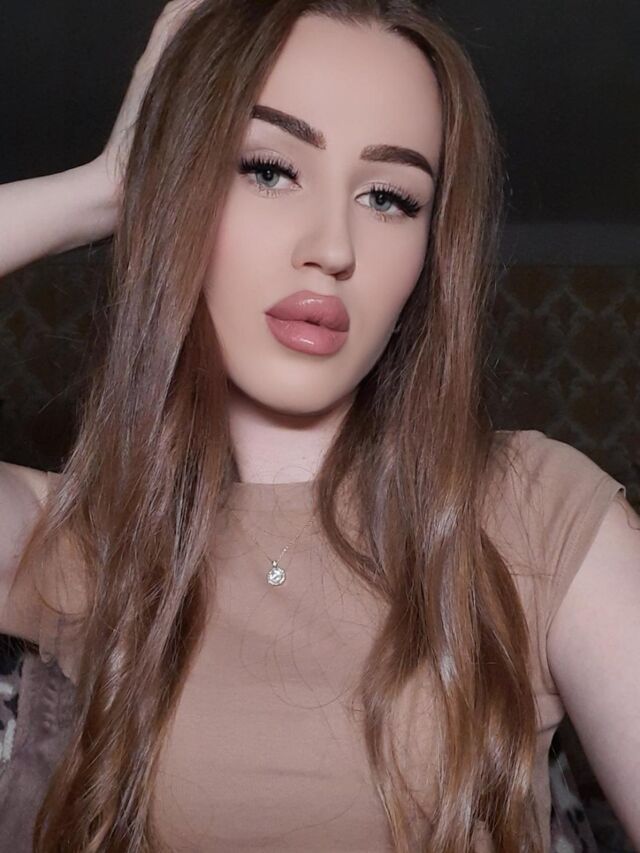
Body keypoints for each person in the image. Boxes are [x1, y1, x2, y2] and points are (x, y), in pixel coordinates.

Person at [0, 1, 638, 851]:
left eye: (389, 197)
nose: (333, 246)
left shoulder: (541, 513)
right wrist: (106, 191)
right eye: (268, 169)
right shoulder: (81, 535)